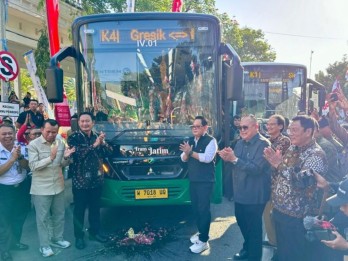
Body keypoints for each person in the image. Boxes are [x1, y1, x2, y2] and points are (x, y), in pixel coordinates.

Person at [264, 115, 328, 261]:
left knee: (293, 254)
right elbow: (282, 170)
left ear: (308, 131)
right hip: (280, 211)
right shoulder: (294, 147)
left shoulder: (316, 155)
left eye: (294, 130)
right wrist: (275, 164)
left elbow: (302, 182)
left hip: (296, 218)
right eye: (289, 129)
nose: (290, 133)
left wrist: (279, 164)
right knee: (282, 251)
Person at [219, 114, 271, 261]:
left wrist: (234, 159)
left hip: (255, 194)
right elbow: (236, 162)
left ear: (256, 127)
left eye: (245, 127)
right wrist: (227, 157)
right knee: (242, 222)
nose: (242, 130)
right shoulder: (240, 143)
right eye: (240, 127)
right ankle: (247, 249)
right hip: (240, 191)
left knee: (253, 227)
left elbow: (256, 169)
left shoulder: (264, 144)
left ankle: (254, 256)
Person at [28, 119, 75, 257]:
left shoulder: (60, 143)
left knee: (59, 215)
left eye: (54, 132)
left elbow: (62, 164)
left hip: (58, 186)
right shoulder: (33, 145)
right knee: (42, 219)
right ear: (42, 129)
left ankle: (57, 239)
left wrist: (66, 158)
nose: (51, 134)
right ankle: (44, 245)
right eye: (48, 131)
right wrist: (50, 157)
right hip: (41, 189)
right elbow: (33, 166)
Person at [67, 112, 112, 250]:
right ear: (79, 123)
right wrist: (94, 145)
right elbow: (78, 155)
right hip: (80, 181)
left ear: (93, 122)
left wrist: (103, 143)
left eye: (87, 121)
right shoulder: (73, 137)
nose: (85, 124)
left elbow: (109, 152)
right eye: (82, 121)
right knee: (79, 210)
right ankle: (79, 237)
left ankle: (95, 232)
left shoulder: (97, 135)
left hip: (96, 179)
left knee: (95, 209)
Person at [179, 116, 217, 254]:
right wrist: (186, 153)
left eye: (197, 126)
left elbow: (207, 158)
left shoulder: (211, 141)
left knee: (203, 210)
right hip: (193, 180)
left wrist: (190, 152)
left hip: (205, 182)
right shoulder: (190, 141)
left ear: (205, 127)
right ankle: (201, 232)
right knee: (195, 209)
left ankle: (203, 241)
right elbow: (182, 159)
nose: (194, 128)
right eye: (193, 126)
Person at [0, 124, 31, 261]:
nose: (7, 136)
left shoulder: (22, 148)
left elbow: (28, 167)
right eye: (4, 134)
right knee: (4, 222)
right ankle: (4, 251)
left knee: (19, 217)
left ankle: (15, 243)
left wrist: (19, 157)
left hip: (22, 188)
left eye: (10, 133)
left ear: (14, 134)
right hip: (4, 190)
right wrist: (12, 159)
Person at [263, 115, 291, 258]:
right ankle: (274, 242)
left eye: (272, 124)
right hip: (268, 185)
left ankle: (277, 245)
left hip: (279, 186)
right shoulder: (269, 140)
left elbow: (267, 160)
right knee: (268, 216)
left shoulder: (283, 141)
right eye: (268, 124)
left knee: (273, 216)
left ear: (281, 126)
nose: (269, 126)